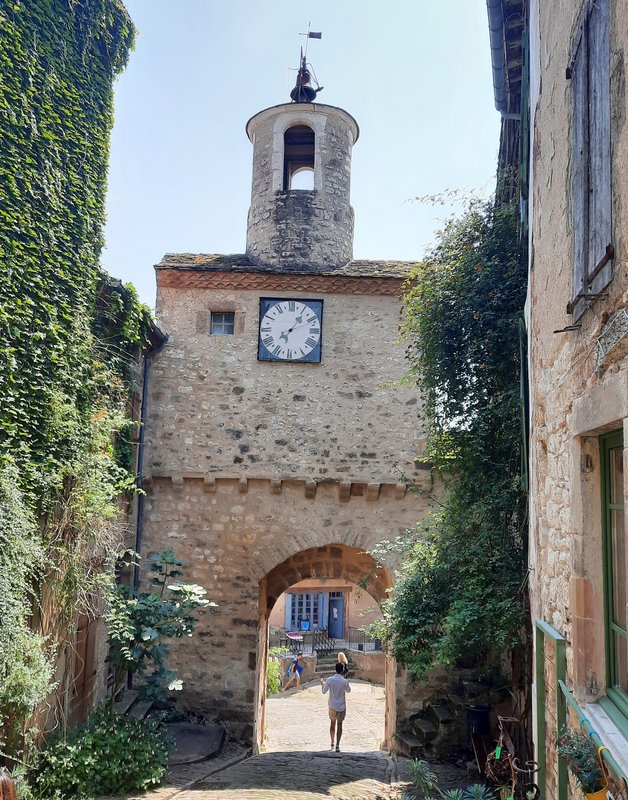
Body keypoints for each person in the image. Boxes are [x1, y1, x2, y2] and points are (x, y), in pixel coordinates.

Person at [321, 662, 351, 752]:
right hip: (341, 707)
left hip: (332, 706)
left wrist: (322, 683)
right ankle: (338, 745)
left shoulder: (330, 680)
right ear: (342, 670)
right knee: (340, 725)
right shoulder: (345, 681)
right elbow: (348, 691)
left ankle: (332, 742)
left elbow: (323, 691)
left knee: (332, 724)